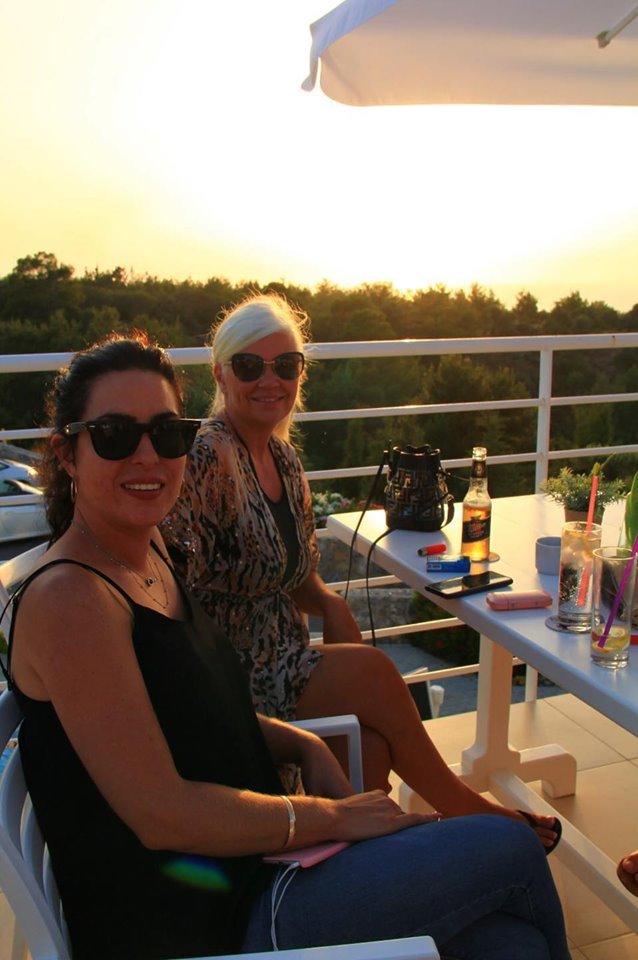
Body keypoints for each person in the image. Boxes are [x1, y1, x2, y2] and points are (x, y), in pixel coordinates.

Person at [3, 333, 571, 960]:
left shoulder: (149, 551)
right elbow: (161, 813)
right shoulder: (71, 600)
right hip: (208, 924)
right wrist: (330, 816)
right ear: (67, 453)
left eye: (167, 433)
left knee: (511, 943)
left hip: (260, 867)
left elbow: (193, 711)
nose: (147, 456)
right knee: (510, 852)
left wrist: (301, 743)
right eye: (114, 434)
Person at [162, 293, 562, 844]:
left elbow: (291, 572)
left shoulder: (282, 458)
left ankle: (356, 862)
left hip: (284, 655)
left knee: (371, 748)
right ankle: (475, 815)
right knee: (373, 673)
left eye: (286, 366)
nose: (270, 380)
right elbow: (168, 582)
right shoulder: (207, 457)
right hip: (234, 671)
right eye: (250, 366)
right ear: (220, 374)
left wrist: (329, 603)